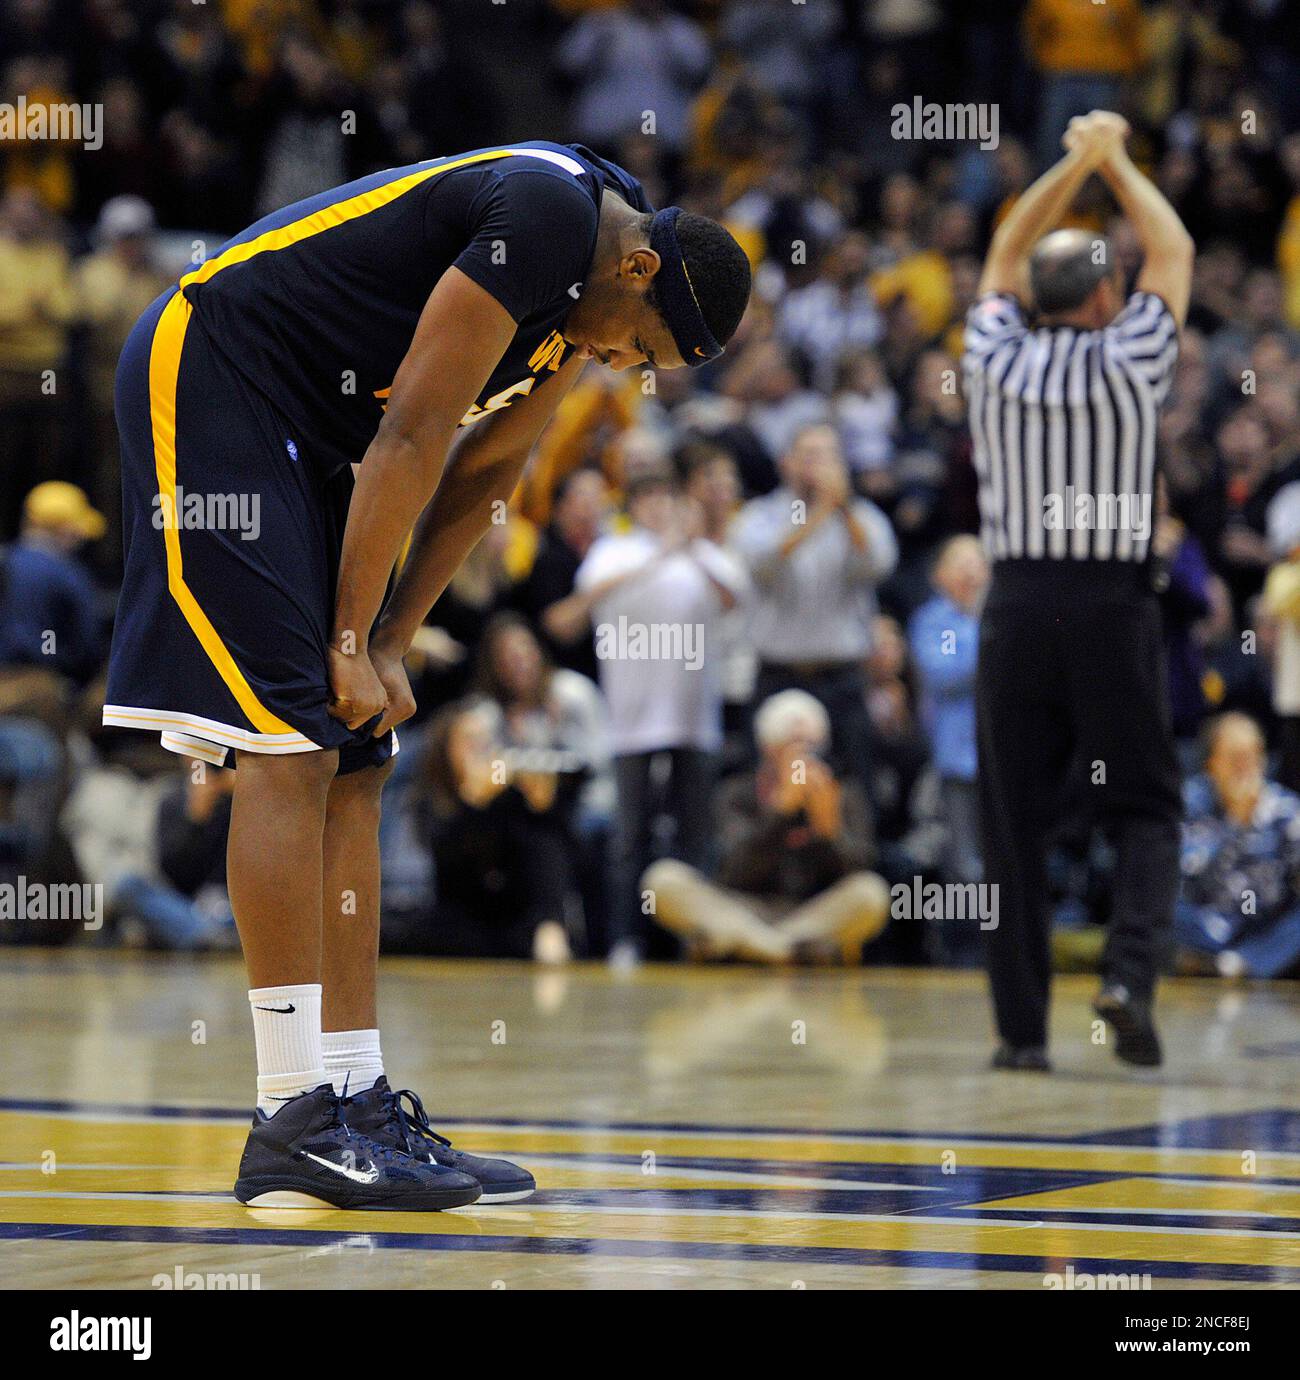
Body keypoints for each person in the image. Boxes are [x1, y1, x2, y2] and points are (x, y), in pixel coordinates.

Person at [101, 140, 752, 1210]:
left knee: (361, 753)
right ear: (638, 272)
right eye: (639, 348)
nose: (620, 367)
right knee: (292, 745)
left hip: (309, 432)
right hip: (215, 370)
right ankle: (290, 1116)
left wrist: (393, 637)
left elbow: (488, 464)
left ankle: (355, 1098)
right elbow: (412, 431)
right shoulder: (547, 218)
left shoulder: (594, 271)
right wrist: (350, 640)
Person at [964, 111, 1193, 1071]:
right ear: (1107, 294)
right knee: (1144, 806)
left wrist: (1070, 164)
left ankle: (1021, 1037)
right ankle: (1127, 979)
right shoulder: (1134, 354)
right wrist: (1117, 160)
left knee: (1011, 826)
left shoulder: (991, 356)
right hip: (1111, 603)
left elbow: (1006, 246)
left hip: (1017, 606)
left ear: (1034, 295)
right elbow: (1173, 249)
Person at [574, 468, 749, 960]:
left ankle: (696, 939)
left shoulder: (704, 555)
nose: (657, 507)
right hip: (631, 719)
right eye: (647, 498)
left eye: (665, 497)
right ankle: (624, 938)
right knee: (630, 835)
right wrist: (660, 554)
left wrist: (690, 548)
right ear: (633, 507)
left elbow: (733, 599)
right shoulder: (614, 551)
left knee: (695, 834)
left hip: (694, 717)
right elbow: (589, 596)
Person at [646, 689, 888, 963]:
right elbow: (732, 871)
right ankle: (783, 950)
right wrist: (780, 811)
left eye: (812, 746)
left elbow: (858, 870)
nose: (804, 757)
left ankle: (753, 947)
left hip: (810, 914)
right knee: (662, 881)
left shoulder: (842, 793)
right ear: (767, 748)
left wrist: (829, 831)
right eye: (793, 745)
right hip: (741, 910)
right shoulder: (736, 793)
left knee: (872, 893)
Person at [730, 423, 897, 796]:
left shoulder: (862, 517)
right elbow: (761, 567)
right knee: (774, 793)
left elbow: (877, 565)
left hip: (843, 676)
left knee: (856, 790)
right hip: (778, 674)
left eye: (829, 455)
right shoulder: (761, 514)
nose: (820, 465)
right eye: (810, 455)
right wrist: (819, 514)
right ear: (786, 462)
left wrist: (843, 510)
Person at [1177, 714, 1300, 979]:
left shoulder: (1285, 810)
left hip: (1262, 928)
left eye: (1253, 756)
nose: (1246, 767)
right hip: (1202, 924)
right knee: (1161, 905)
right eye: (1236, 758)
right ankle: (1233, 962)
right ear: (1212, 764)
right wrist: (1237, 826)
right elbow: (1190, 881)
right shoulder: (1190, 803)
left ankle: (1238, 963)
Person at [909, 535, 989, 889]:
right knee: (964, 858)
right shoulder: (934, 621)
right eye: (960, 562)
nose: (970, 571)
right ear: (938, 575)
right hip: (958, 756)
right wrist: (992, 640)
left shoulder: (998, 616)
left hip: (1005, 755)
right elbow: (943, 673)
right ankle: (969, 923)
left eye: (977, 561)